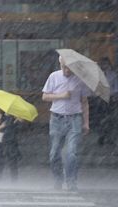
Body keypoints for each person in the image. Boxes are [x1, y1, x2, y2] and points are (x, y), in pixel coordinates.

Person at [42, 55, 90, 191]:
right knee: (54, 153)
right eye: (63, 67)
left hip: (74, 119)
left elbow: (85, 102)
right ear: (60, 64)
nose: (66, 70)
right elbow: (45, 96)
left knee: (72, 152)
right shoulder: (54, 76)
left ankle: (71, 181)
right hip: (56, 119)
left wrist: (86, 122)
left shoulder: (81, 79)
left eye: (69, 67)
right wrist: (60, 96)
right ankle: (58, 179)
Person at [0, 112, 22, 182]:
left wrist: (17, 120)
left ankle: (14, 182)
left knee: (13, 164)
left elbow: (20, 127)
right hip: (0, 141)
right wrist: (2, 126)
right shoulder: (0, 115)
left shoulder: (16, 116)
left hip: (11, 141)